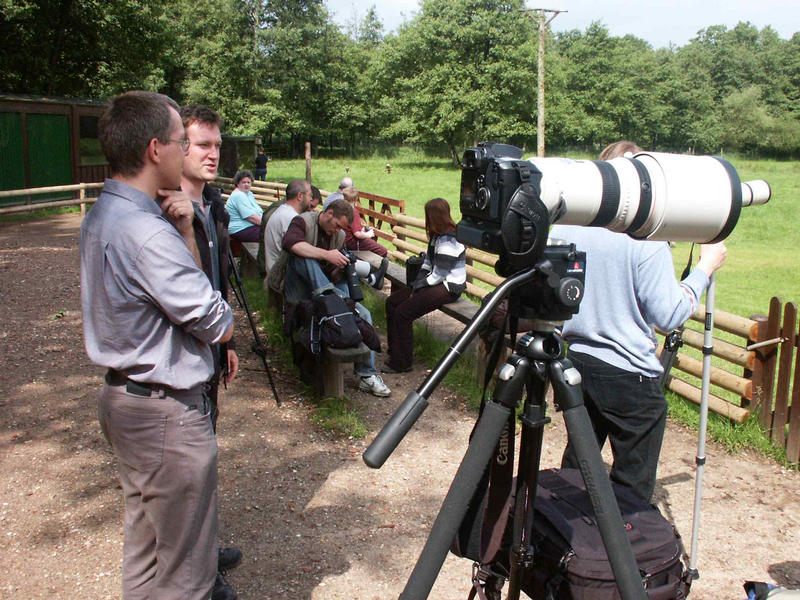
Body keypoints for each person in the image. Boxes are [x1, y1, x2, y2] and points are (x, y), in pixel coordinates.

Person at [80, 91, 234, 600]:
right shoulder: (147, 232)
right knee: (187, 573)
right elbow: (216, 320)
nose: (185, 151)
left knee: (145, 550)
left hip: (126, 401)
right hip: (165, 415)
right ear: (154, 150)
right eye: (178, 141)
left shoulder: (103, 214)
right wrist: (186, 235)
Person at [556, 140, 728, 503]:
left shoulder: (573, 227)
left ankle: (565, 537)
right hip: (629, 374)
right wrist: (704, 270)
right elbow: (669, 315)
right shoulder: (645, 237)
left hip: (579, 364)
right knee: (632, 485)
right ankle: (627, 549)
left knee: (577, 466)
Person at [179, 104, 242, 600]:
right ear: (177, 147)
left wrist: (229, 344)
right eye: (203, 144)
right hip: (180, 360)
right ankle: (200, 571)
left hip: (211, 351)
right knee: (189, 472)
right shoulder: (168, 211)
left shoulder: (213, 203)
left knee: (207, 459)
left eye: (217, 145)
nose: (212, 153)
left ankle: (208, 546)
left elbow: (217, 283)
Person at [276, 199, 392, 397]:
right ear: (328, 213)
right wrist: (327, 255)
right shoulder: (303, 221)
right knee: (302, 255)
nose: (337, 230)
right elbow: (290, 243)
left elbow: (331, 270)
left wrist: (342, 268)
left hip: (323, 289)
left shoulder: (338, 236)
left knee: (363, 314)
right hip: (297, 288)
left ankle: (367, 374)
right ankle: (330, 298)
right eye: (337, 225)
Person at [383, 198, 466, 373]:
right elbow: (428, 264)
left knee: (403, 313)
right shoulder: (437, 237)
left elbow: (439, 274)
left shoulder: (451, 240)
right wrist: (417, 283)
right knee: (392, 302)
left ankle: (402, 362)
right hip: (434, 282)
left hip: (449, 286)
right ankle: (395, 351)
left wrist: (418, 288)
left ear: (434, 216)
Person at [263, 178, 312, 277]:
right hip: (280, 278)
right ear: (300, 196)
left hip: (277, 272)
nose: (311, 199)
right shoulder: (290, 218)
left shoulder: (283, 211)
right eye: (310, 195)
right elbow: (300, 249)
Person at [341, 185, 388, 258]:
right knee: (382, 251)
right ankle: (373, 268)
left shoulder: (341, 208)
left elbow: (350, 227)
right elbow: (357, 234)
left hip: (344, 242)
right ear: (356, 198)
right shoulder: (353, 212)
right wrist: (368, 235)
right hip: (353, 243)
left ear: (343, 197)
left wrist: (361, 230)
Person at [226, 169, 263, 243]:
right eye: (243, 182)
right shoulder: (238, 195)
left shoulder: (249, 194)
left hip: (250, 226)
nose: (246, 184)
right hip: (240, 229)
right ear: (238, 183)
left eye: (248, 182)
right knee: (270, 235)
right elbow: (251, 217)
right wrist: (268, 224)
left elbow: (257, 211)